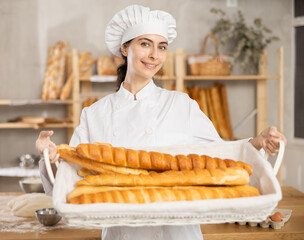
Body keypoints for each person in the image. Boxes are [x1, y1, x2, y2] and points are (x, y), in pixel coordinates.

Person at [36, 4, 287, 240]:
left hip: (177, 233)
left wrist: (258, 142)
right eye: (145, 44)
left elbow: (220, 155)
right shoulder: (95, 113)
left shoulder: (181, 105)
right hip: (122, 233)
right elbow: (70, 179)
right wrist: (51, 157)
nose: (154, 55)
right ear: (125, 48)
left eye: (162, 46)